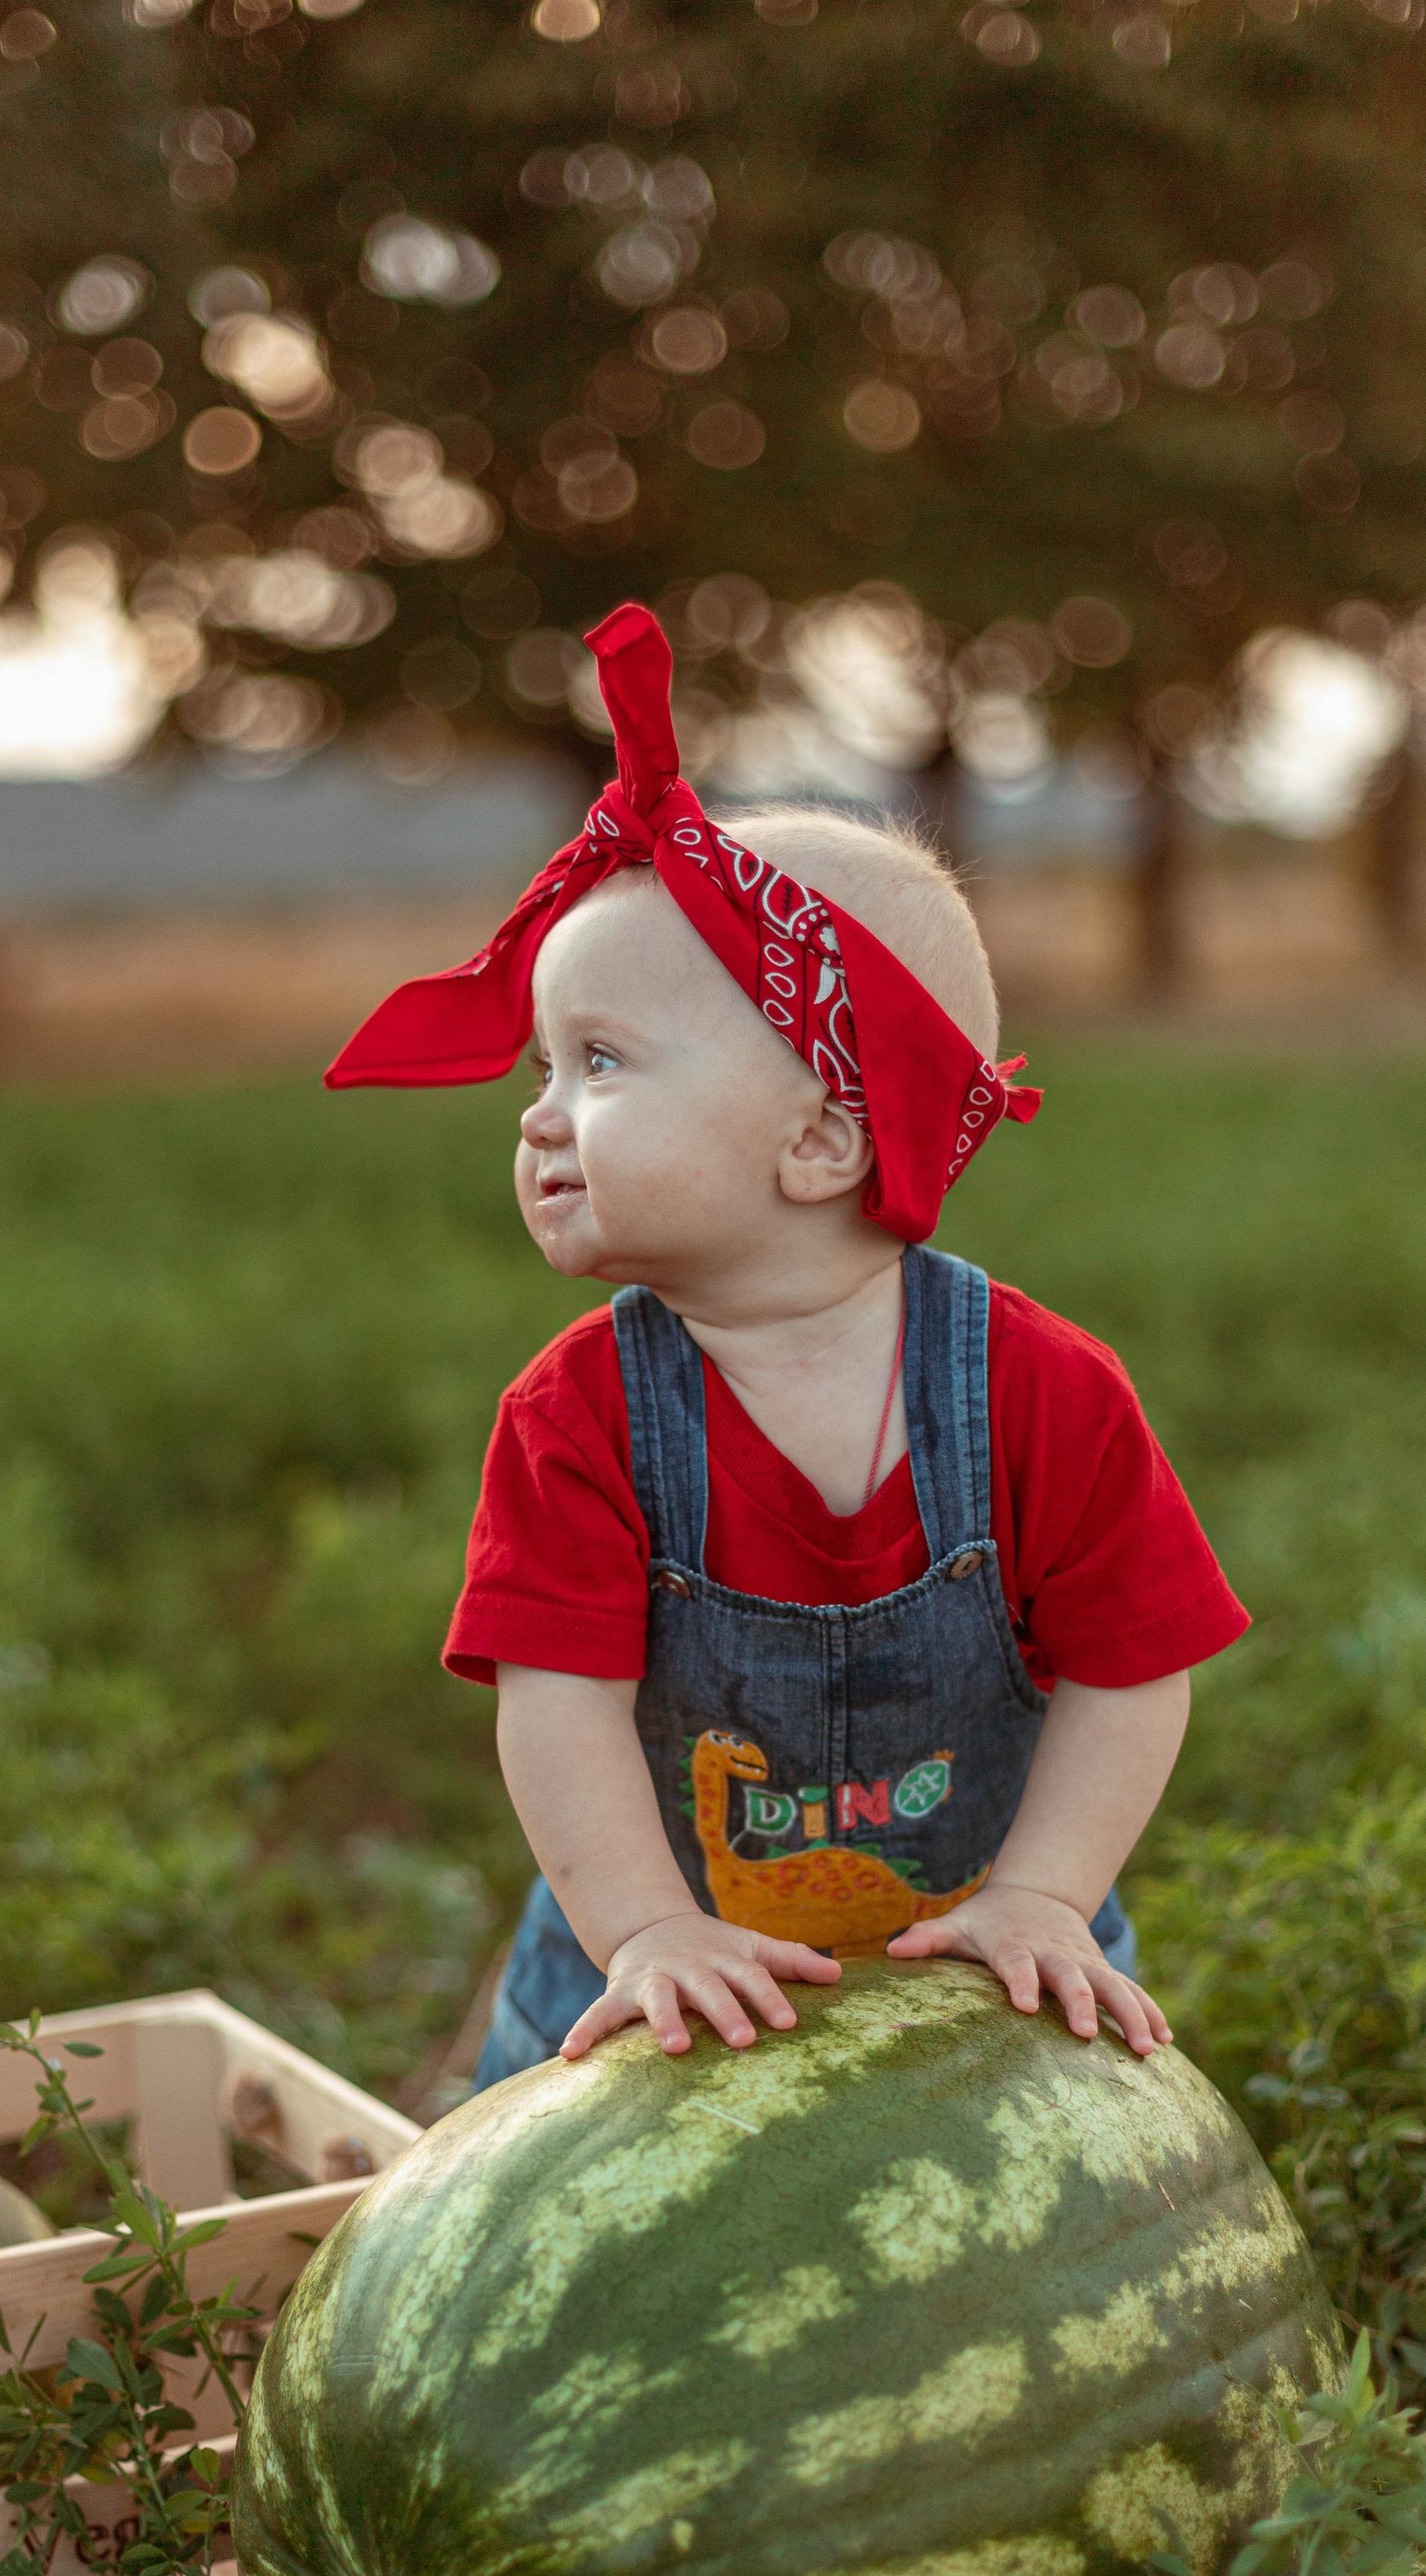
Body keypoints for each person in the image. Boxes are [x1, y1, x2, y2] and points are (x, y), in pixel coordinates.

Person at [326, 603, 1247, 2084]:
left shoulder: (1041, 1392)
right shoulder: (580, 1414)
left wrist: (1044, 1894)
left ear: (821, 1136)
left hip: (983, 1975)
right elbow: (557, 1705)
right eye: (545, 1064)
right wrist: (638, 1931)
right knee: (567, 2274)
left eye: (603, 1061)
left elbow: (1135, 1671)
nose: (539, 1112)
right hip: (662, 1995)